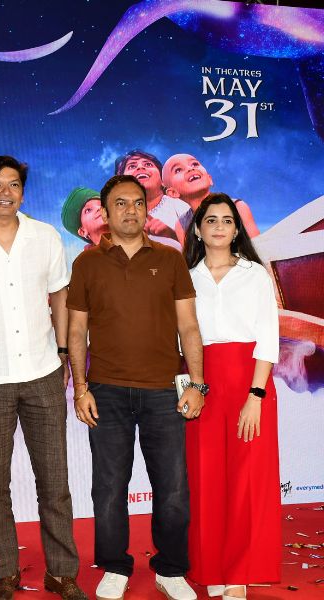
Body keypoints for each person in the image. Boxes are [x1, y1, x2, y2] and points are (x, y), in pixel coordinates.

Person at [67, 174, 206, 600]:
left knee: (173, 488)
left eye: (138, 203)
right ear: (106, 213)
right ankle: (114, 566)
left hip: (164, 391)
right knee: (109, 487)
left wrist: (197, 383)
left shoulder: (170, 258)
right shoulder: (87, 264)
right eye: (121, 203)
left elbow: (188, 325)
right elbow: (76, 330)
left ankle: (171, 570)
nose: (131, 210)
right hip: (106, 391)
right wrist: (80, 388)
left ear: (147, 209)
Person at [0, 156, 87, 600]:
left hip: (43, 372)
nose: (5, 193)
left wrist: (62, 353)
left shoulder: (45, 236)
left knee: (54, 480)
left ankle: (62, 573)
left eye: (14, 185)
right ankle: (7, 572)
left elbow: (60, 297)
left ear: (22, 191)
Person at [183, 194, 280, 600]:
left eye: (227, 220)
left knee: (245, 481)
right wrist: (191, 386)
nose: (219, 227)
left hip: (249, 382)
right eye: (211, 220)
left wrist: (255, 394)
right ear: (198, 230)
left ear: (237, 229)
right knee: (205, 477)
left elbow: (268, 336)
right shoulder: (186, 278)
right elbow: (181, 338)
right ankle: (211, 567)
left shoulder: (254, 274)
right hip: (203, 383)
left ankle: (238, 572)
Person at [162, 154, 259, 237]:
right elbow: (189, 254)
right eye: (178, 170)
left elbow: (258, 246)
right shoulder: (181, 225)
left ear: (209, 179)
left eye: (195, 164)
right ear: (173, 193)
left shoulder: (237, 207)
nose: (190, 169)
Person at [114, 149, 192, 247]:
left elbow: (201, 247)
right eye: (132, 166)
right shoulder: (118, 219)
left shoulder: (179, 204)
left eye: (148, 164)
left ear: (163, 180)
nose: (140, 167)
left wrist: (172, 234)